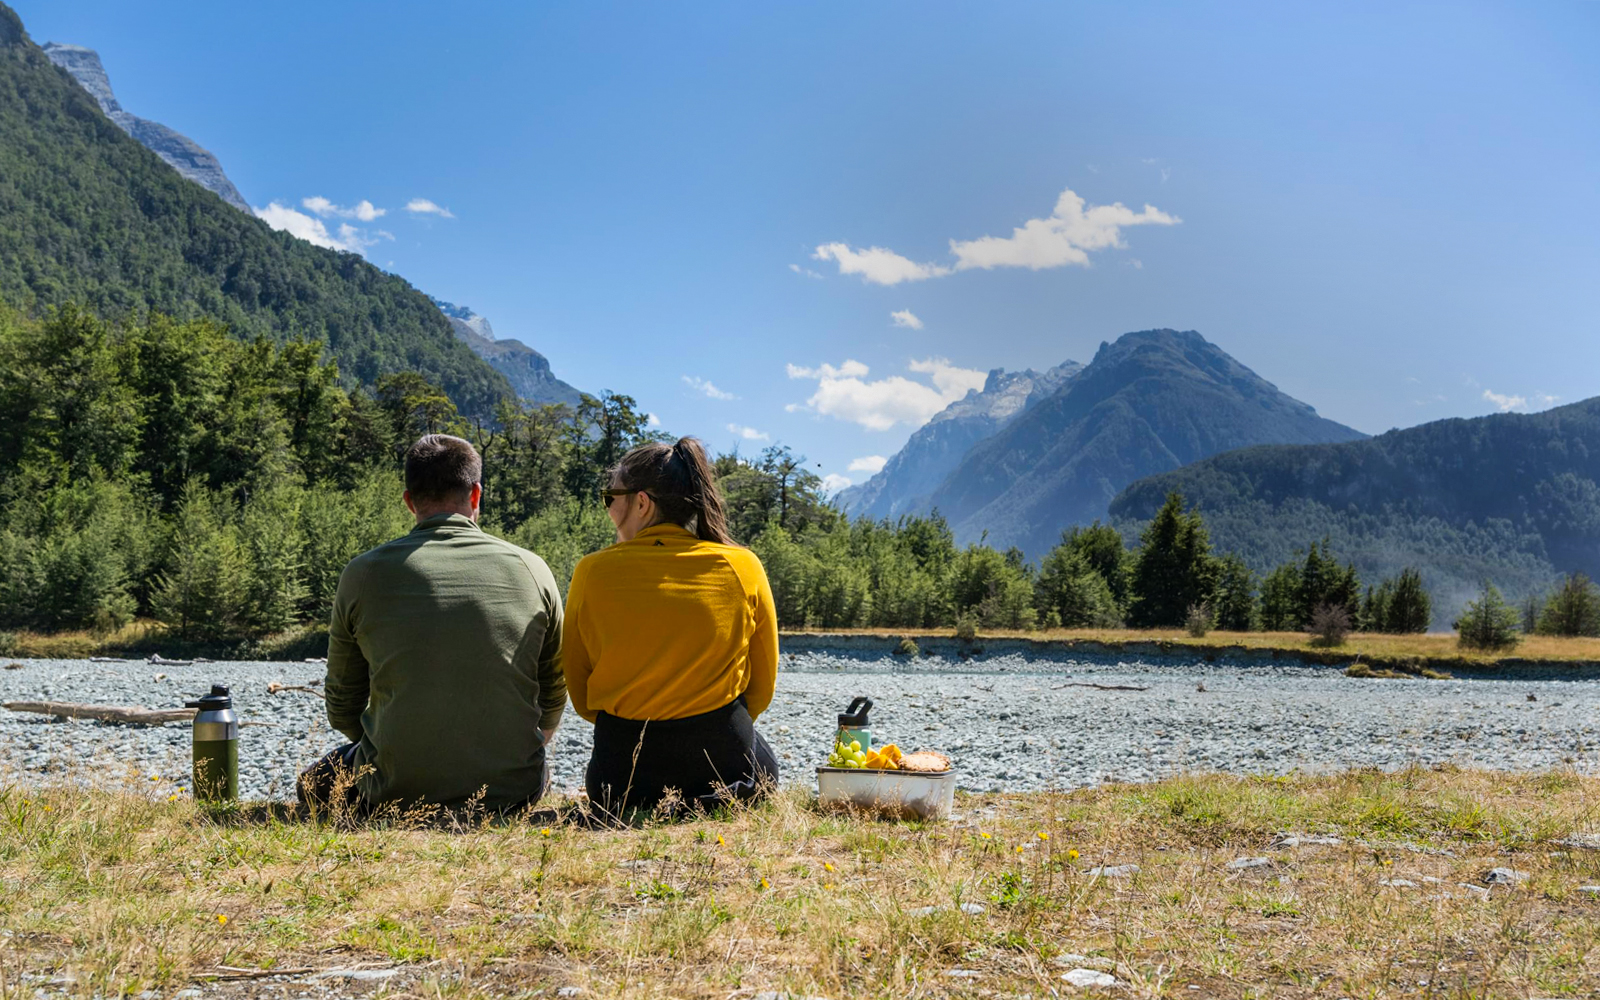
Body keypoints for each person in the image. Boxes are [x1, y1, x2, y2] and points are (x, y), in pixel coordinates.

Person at [297, 434, 566, 813]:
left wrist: (389, 745)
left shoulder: (361, 573)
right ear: (476, 495)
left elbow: (342, 705)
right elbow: (554, 690)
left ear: (409, 501)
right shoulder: (533, 568)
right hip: (510, 791)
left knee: (312, 783)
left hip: (391, 790)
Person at [562, 437, 779, 818]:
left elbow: (580, 693)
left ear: (642, 502)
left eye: (610, 497)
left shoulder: (591, 571)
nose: (609, 508)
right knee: (764, 763)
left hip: (621, 779)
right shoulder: (743, 566)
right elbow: (761, 688)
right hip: (724, 772)